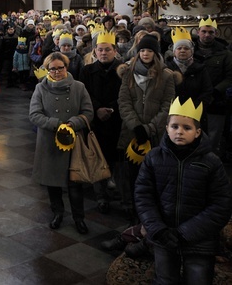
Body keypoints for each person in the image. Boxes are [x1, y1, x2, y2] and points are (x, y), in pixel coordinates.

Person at [134, 97, 232, 284]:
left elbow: (221, 205)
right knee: (165, 279)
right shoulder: (154, 158)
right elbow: (143, 196)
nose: (179, 132)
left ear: (198, 132)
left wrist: (185, 233)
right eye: (175, 126)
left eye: (187, 128)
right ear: (167, 129)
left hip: (199, 239)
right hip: (164, 236)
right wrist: (158, 230)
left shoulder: (211, 162)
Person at [29, 52, 93, 234]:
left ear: (66, 67)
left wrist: (73, 123)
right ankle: (57, 213)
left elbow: (88, 112)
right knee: (53, 183)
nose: (57, 72)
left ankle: (79, 218)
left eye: (60, 68)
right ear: (47, 70)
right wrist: (56, 124)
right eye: (53, 69)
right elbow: (34, 114)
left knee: (75, 184)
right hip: (50, 141)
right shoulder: (40, 89)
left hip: (74, 141)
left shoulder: (79, 87)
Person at [117, 34, 177, 221]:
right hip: (131, 132)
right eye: (142, 50)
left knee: (154, 174)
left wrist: (149, 128)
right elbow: (124, 101)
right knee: (133, 175)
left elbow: (168, 105)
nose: (145, 54)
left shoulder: (166, 76)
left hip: (155, 133)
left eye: (149, 50)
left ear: (155, 53)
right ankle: (134, 209)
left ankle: (152, 213)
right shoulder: (128, 72)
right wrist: (136, 126)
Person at [78, 31, 123, 214]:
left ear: (115, 51)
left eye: (107, 50)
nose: (104, 53)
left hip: (116, 119)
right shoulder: (87, 71)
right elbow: (84, 94)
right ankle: (100, 196)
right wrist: (97, 109)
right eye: (100, 50)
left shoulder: (123, 70)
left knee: (115, 157)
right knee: (97, 156)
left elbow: (126, 95)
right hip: (95, 120)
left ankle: (116, 189)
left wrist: (111, 109)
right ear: (94, 52)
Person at [192, 17, 232, 155]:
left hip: (216, 101)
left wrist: (215, 92)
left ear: (216, 33)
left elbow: (230, 77)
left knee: (214, 136)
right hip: (194, 100)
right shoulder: (190, 51)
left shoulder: (225, 53)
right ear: (198, 32)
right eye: (204, 31)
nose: (207, 35)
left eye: (211, 32)